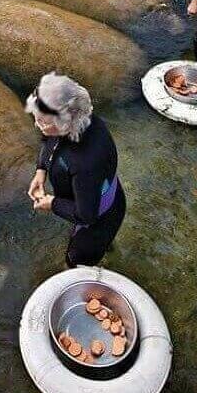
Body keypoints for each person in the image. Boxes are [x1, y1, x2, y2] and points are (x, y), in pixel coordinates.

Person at [26, 72, 125, 268]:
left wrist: (51, 203)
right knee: (99, 242)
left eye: (43, 121)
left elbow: (86, 215)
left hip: (99, 216)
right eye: (36, 118)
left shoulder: (85, 161)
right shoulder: (78, 121)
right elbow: (50, 139)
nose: (37, 125)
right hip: (97, 196)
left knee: (75, 260)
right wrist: (41, 170)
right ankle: (106, 246)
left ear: (64, 122)